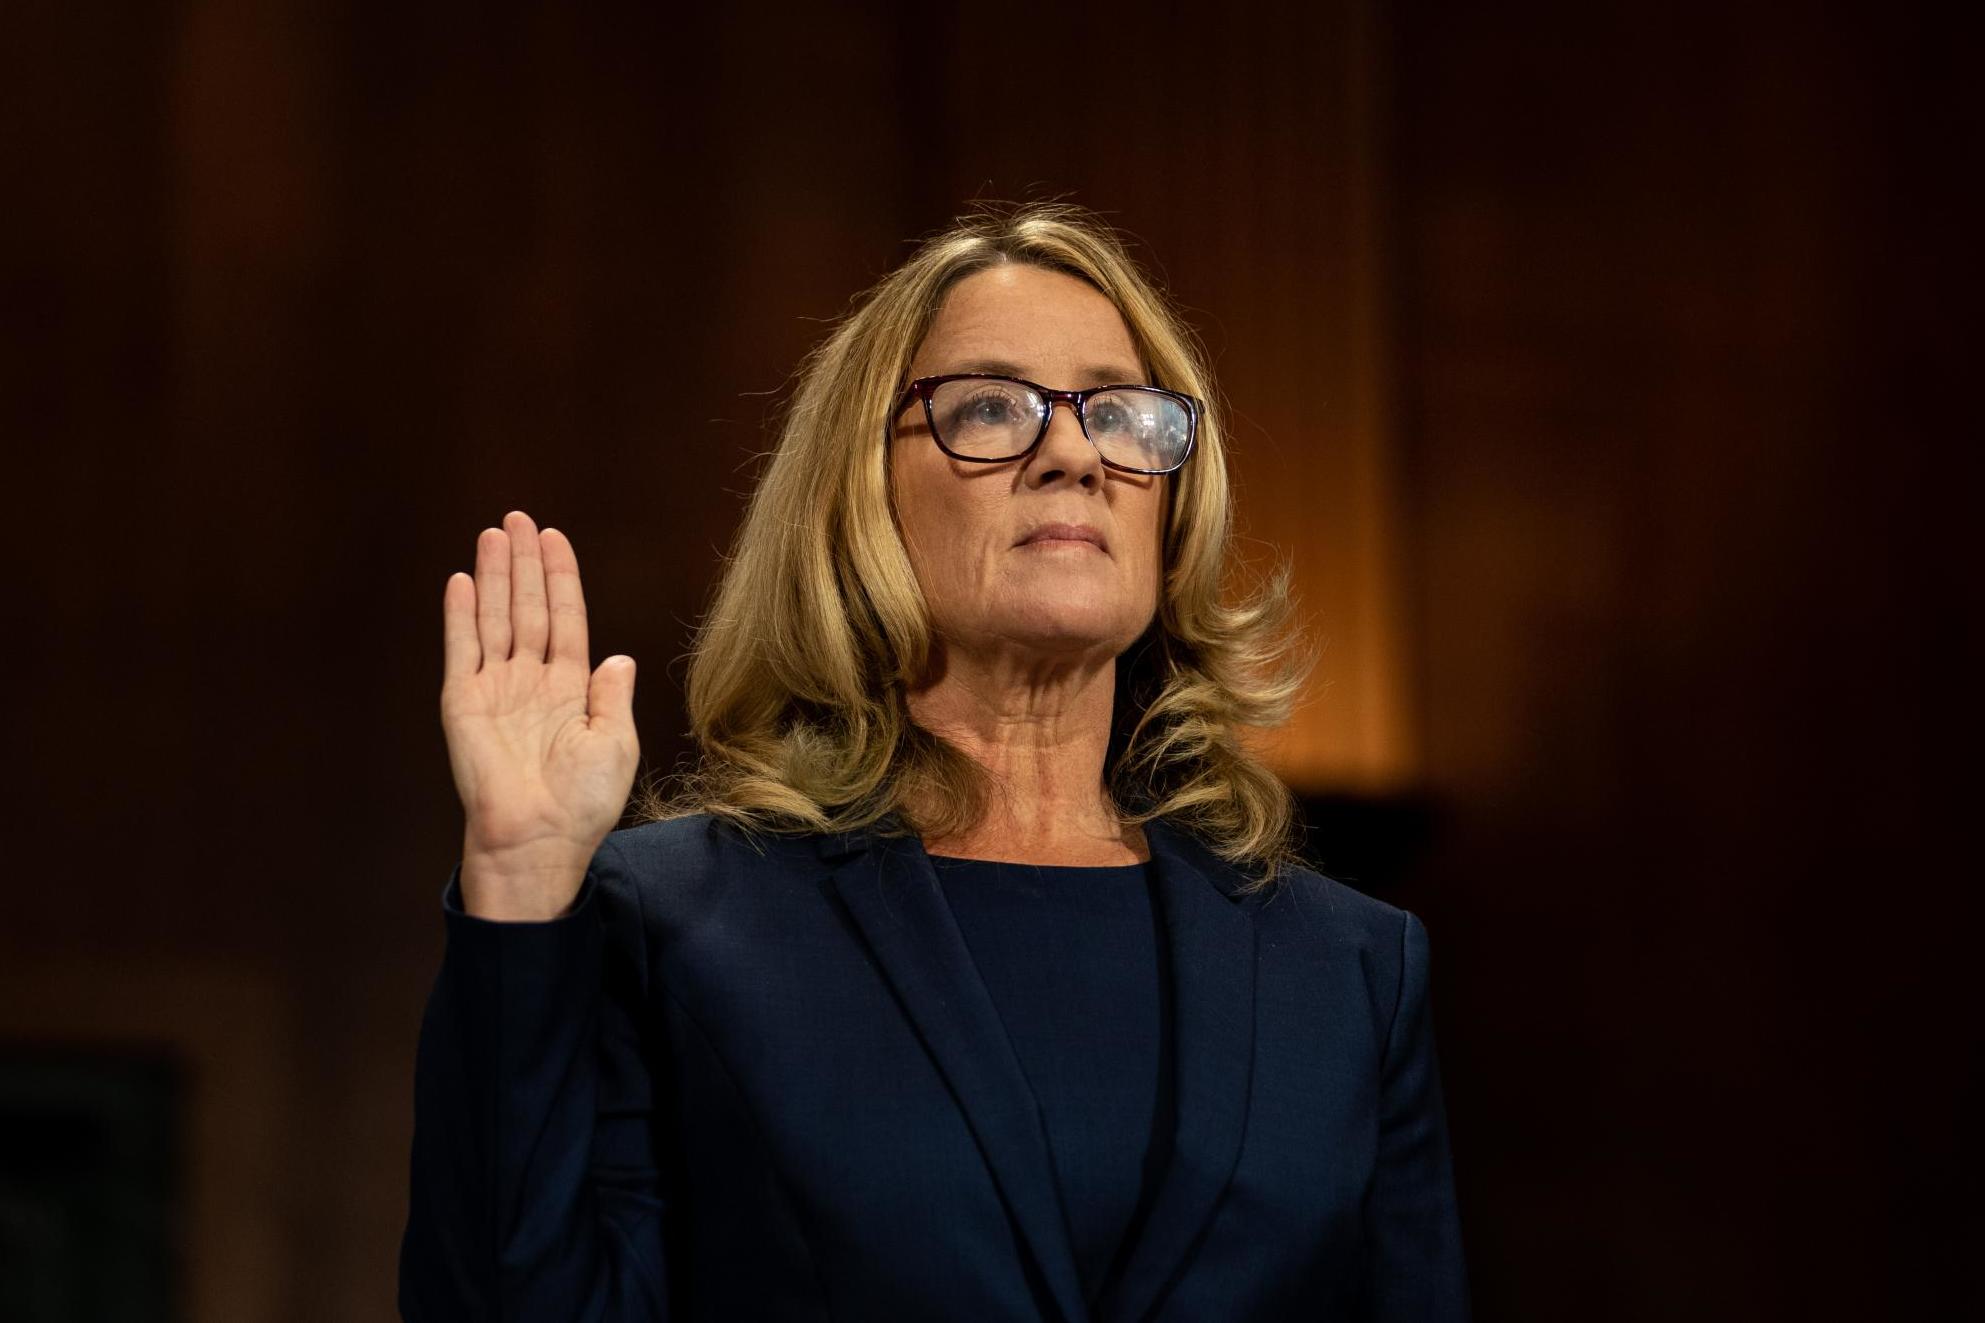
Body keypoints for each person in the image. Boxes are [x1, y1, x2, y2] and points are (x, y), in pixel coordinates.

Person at [399, 203, 1469, 1321]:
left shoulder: (1347, 972)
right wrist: (518, 887)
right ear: (861, 493)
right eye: (991, 409)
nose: (1070, 453)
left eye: (1120, 415)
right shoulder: (681, 926)